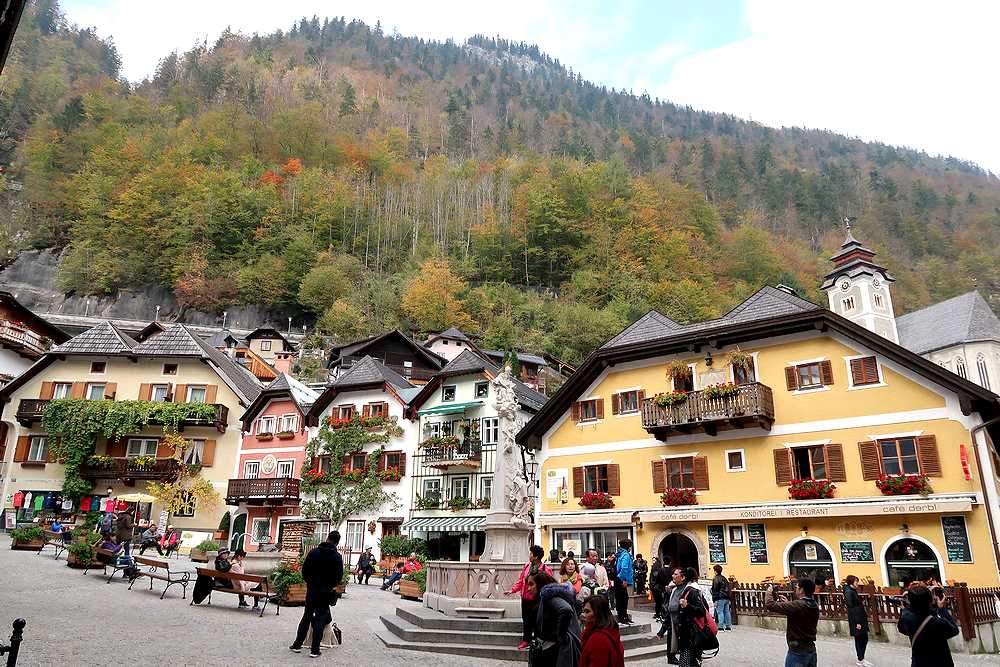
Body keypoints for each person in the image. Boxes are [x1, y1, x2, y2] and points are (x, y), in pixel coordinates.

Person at [290, 531, 344, 658]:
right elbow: (338, 576)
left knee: (306, 616)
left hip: (312, 589)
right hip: (325, 591)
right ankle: (315, 649)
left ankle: (297, 644)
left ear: (327, 538)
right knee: (320, 618)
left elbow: (305, 571)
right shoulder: (336, 557)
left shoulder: (313, 552)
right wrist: (329, 586)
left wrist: (310, 582)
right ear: (337, 542)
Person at [505, 544, 553, 651]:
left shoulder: (545, 569)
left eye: (531, 554)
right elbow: (521, 580)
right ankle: (526, 640)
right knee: (526, 620)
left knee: (537, 620)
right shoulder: (526, 566)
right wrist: (512, 590)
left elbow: (549, 584)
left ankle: (537, 640)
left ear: (536, 556)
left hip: (538, 599)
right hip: (525, 598)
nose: (529, 555)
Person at [898, 583, 959, 667]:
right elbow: (954, 630)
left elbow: (901, 629)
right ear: (930, 600)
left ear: (910, 601)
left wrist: (905, 608)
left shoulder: (907, 618)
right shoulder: (938, 623)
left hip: (919, 664)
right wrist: (942, 609)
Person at [656, 567, 706, 667]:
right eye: (673, 574)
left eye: (675, 574)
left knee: (687, 663)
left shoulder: (691, 591)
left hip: (690, 635)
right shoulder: (673, 591)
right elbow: (670, 614)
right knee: (688, 663)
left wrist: (688, 606)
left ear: (683, 577)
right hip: (679, 634)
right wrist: (662, 631)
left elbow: (701, 611)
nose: (672, 576)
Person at [765, 578, 820, 667]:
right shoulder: (814, 605)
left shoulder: (797, 605)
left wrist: (769, 591)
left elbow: (770, 604)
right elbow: (800, 613)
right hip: (810, 650)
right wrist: (788, 603)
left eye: (797, 587)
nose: (795, 589)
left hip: (798, 652)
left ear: (801, 590)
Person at [531, 571, 581, 667]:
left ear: (540, 584)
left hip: (553, 650)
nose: (529, 589)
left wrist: (560, 635)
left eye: (531, 584)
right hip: (549, 647)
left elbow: (566, 610)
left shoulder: (549, 597)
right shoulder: (545, 598)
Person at [580, 595, 625, 667]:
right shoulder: (610, 631)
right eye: (583, 611)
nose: (583, 615)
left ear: (598, 614)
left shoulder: (598, 639)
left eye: (587, 612)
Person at [843, 575, 872, 667]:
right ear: (851, 582)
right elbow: (852, 608)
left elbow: (856, 604)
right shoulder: (849, 592)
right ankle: (860, 660)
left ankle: (861, 658)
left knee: (864, 638)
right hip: (856, 620)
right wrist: (857, 622)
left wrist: (865, 598)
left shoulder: (852, 591)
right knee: (860, 639)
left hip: (860, 618)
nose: (857, 583)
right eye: (856, 581)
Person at [614, 539, 634, 625]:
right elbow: (624, 568)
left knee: (623, 598)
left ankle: (624, 616)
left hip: (618, 578)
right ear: (628, 546)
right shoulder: (625, 555)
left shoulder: (620, 553)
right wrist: (624, 579)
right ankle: (622, 618)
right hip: (621, 579)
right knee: (622, 599)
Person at [711, 564, 732, 631]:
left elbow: (715, 589)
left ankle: (720, 626)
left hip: (719, 598)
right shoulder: (724, 578)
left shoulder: (716, 578)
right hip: (726, 597)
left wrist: (714, 599)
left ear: (715, 571)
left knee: (720, 612)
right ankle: (728, 626)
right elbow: (728, 588)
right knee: (727, 612)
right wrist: (729, 597)